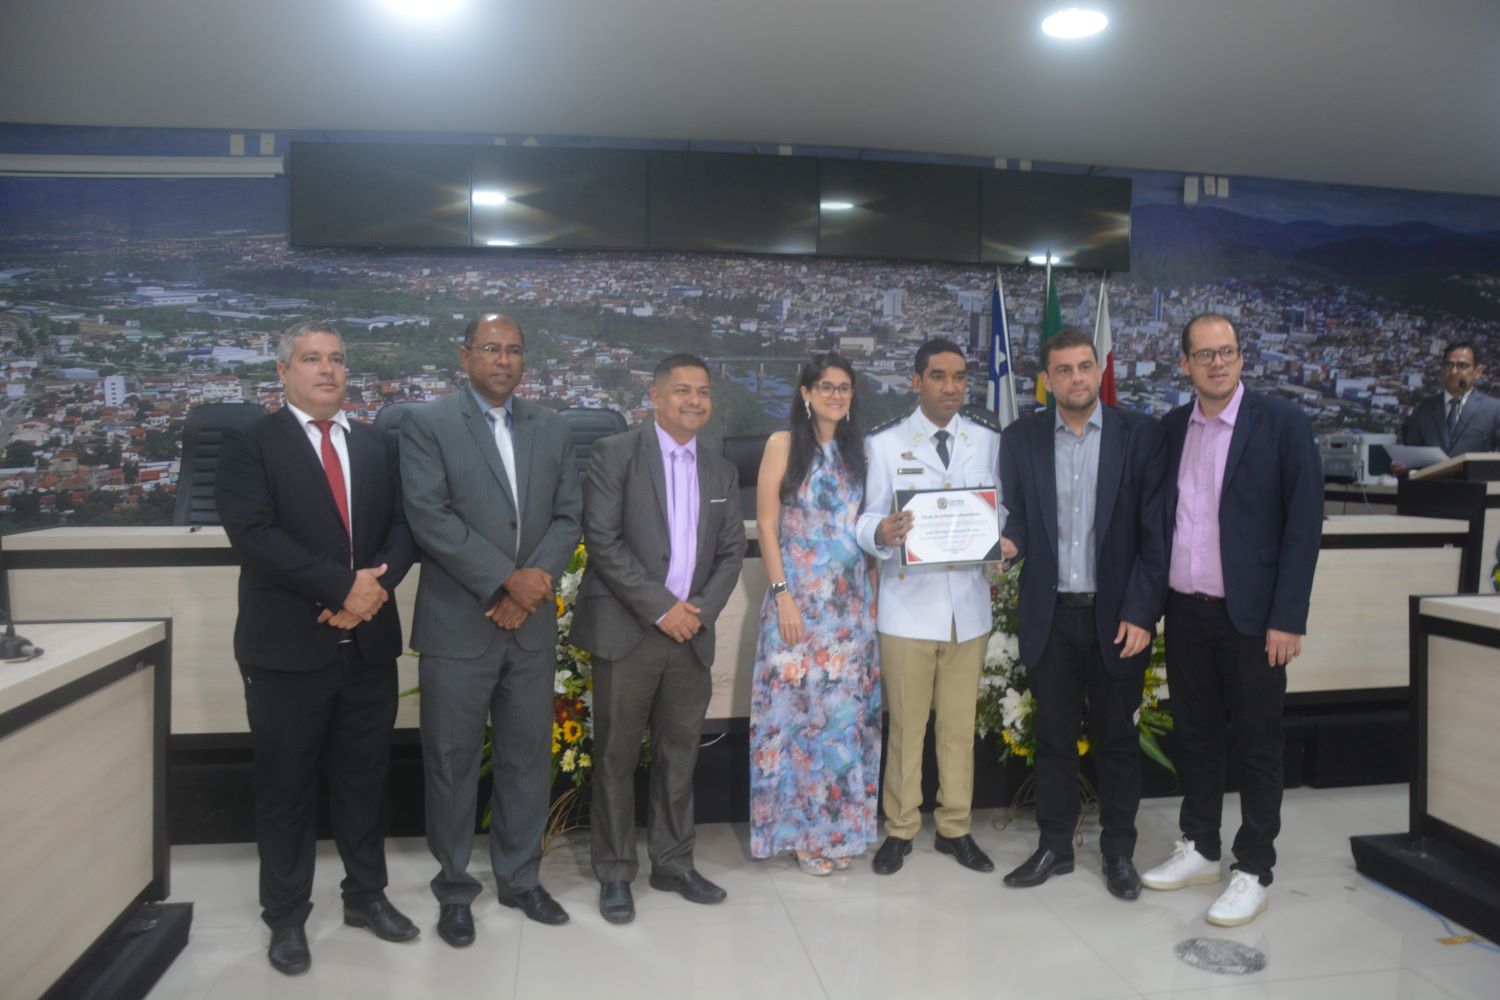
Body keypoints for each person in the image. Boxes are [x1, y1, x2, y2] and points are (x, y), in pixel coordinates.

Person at [215, 321, 419, 975]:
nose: (327, 369)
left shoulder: (376, 443)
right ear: (283, 372)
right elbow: (253, 535)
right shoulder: (251, 442)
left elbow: (404, 527)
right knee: (287, 790)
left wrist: (370, 592)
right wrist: (340, 587)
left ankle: (366, 896)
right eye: (311, 359)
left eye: (336, 359)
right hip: (286, 649)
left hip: (368, 645)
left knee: (365, 781)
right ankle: (285, 917)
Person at [400, 313, 581, 945]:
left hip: (528, 625)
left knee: (526, 759)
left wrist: (530, 586)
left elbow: (569, 515)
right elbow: (429, 516)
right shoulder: (428, 424)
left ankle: (521, 878)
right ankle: (454, 890)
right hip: (458, 622)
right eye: (490, 349)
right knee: (450, 764)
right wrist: (507, 579)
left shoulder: (552, 428)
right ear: (465, 357)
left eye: (513, 351)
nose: (503, 360)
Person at [1139, 312, 1323, 927]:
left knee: (1257, 743)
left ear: (1242, 358)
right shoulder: (1172, 428)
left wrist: (1288, 616)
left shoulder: (1281, 423)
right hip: (1186, 612)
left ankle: (1254, 869)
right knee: (1196, 736)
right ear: (1185, 364)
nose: (1217, 363)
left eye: (1228, 352)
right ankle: (1201, 847)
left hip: (1254, 619)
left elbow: (1304, 527)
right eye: (1205, 354)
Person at [571, 354, 746, 924]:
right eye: (682, 390)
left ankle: (673, 862)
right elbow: (603, 540)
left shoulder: (721, 470)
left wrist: (698, 613)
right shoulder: (615, 453)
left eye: (703, 391)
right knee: (616, 756)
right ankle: (616, 872)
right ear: (655, 396)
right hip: (629, 631)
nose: (694, 401)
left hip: (690, 635)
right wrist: (661, 609)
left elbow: (730, 554)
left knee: (679, 755)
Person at [996, 329, 1168, 899]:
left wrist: (1142, 612)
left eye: (1085, 367)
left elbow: (1156, 535)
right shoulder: (1020, 438)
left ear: (1099, 371)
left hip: (1118, 619)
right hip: (1051, 615)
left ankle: (1119, 853)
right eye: (1064, 370)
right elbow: (1019, 520)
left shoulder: (1139, 435)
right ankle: (1055, 847)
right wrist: (1006, 545)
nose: (1076, 378)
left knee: (1118, 740)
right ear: (1047, 380)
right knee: (1053, 740)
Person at [855, 338, 1001, 876]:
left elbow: (1000, 507)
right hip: (907, 608)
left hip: (967, 608)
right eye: (938, 376)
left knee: (959, 728)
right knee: (907, 727)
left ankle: (955, 827)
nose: (950, 387)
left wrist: (1001, 537)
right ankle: (899, 828)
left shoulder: (987, 440)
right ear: (917, 382)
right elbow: (864, 519)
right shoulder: (885, 444)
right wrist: (882, 532)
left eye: (959, 377)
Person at [749, 354, 881, 875]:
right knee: (800, 722)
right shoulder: (782, 445)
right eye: (825, 386)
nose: (835, 396)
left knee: (843, 725)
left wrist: (871, 594)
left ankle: (839, 831)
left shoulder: (861, 453)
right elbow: (766, 524)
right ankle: (802, 836)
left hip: (849, 610)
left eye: (844, 388)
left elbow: (865, 527)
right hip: (798, 607)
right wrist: (782, 595)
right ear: (806, 393)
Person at [1391, 342, 1500, 474]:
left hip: (1475, 485)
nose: (1453, 372)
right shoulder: (1423, 410)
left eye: (1462, 365)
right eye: (1449, 365)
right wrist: (1404, 466)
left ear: (1478, 372)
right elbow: (1411, 456)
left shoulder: (1494, 410)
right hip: (1430, 485)